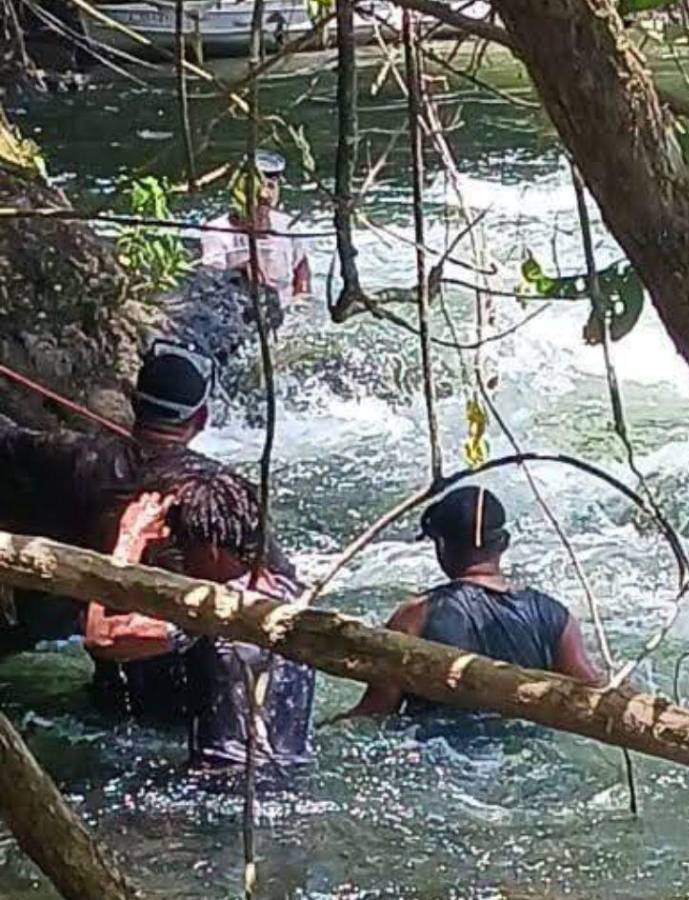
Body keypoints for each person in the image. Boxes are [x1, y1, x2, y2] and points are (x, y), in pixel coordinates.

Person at [0, 341, 315, 770]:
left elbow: (103, 637)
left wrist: (129, 540)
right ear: (201, 418)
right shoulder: (231, 501)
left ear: (132, 403)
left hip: (135, 705)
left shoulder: (79, 461)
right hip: (208, 724)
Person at [343, 486, 604, 720]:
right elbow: (593, 695)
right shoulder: (555, 616)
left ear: (441, 545)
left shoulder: (414, 616)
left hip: (438, 759)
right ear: (503, 544)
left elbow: (376, 710)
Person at [199, 149, 312, 306]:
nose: (265, 195)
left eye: (271, 187)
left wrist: (301, 295)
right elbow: (213, 281)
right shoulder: (217, 233)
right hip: (242, 307)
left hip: (284, 308)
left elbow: (300, 265)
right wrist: (244, 270)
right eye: (258, 188)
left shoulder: (288, 226)